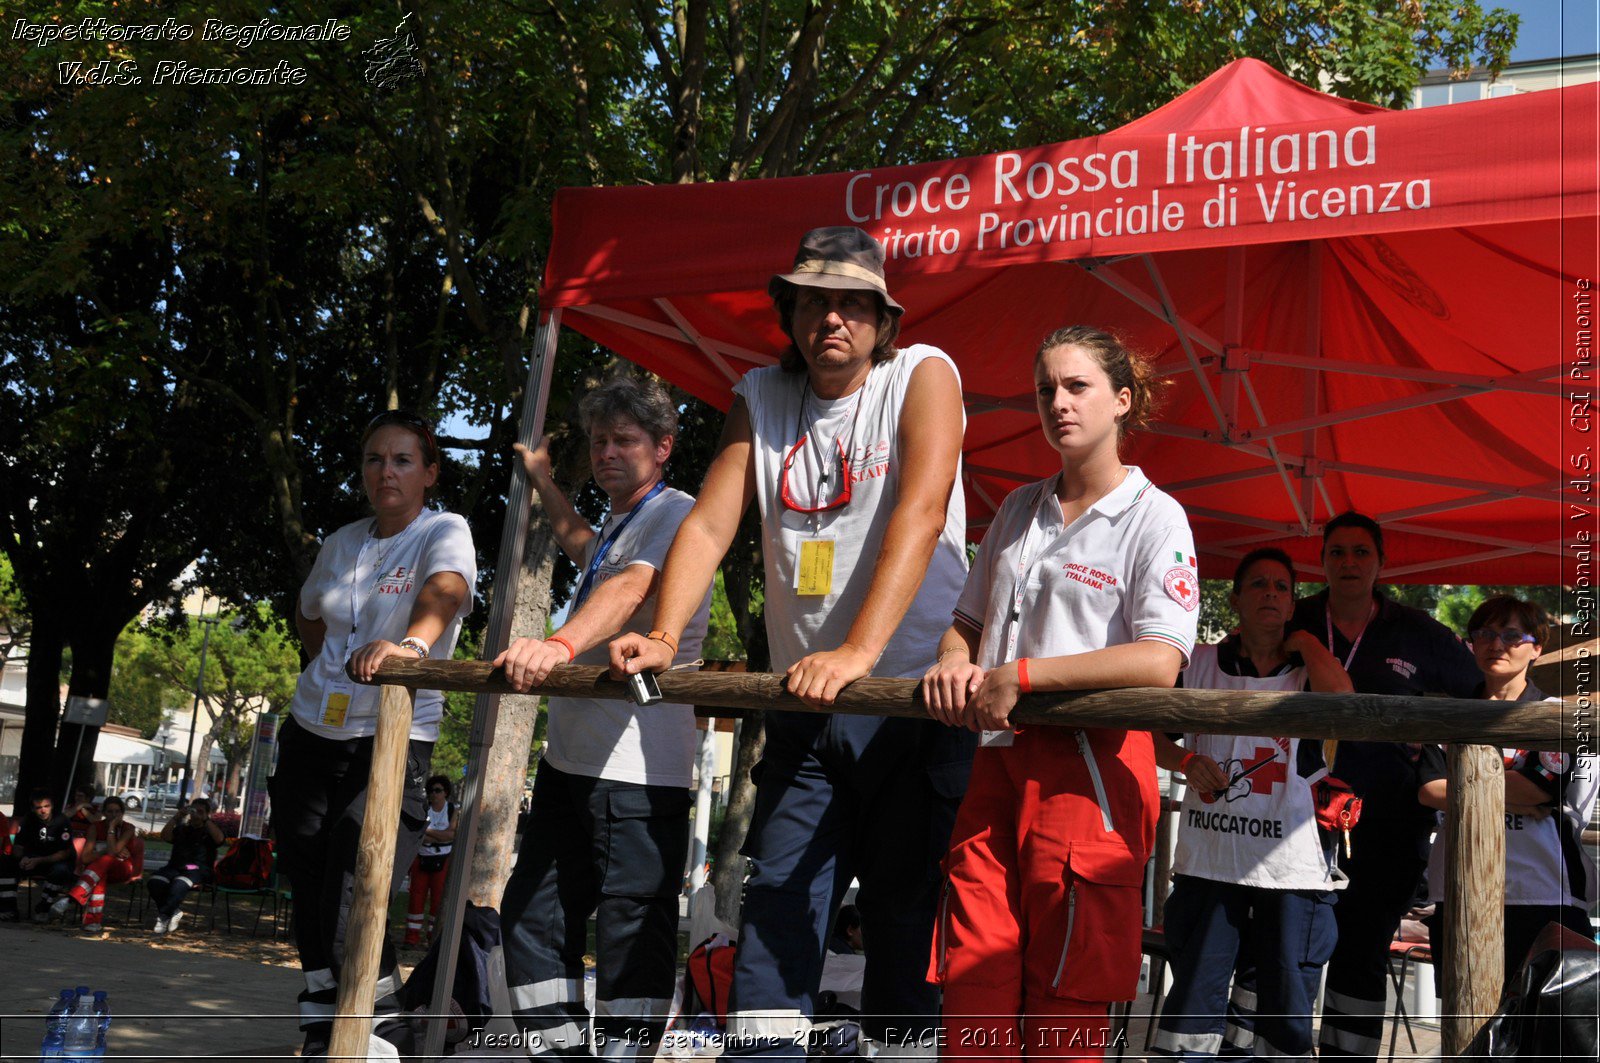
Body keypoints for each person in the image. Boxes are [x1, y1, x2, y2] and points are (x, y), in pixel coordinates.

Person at [611, 226, 973, 1061]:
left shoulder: (925, 375)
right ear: (791, 312)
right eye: (815, 301)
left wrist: (858, 653)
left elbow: (921, 514)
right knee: (776, 905)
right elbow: (708, 519)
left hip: (910, 702)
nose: (833, 318)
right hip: (807, 707)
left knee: (902, 921)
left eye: (853, 303)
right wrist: (666, 632)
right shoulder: (760, 394)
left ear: (884, 320)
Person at [921, 325, 1198, 1060]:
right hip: (997, 760)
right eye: (1046, 388)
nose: (1058, 402)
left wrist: (1027, 675)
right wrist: (955, 659)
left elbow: (1162, 659)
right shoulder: (1016, 509)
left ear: (1122, 400)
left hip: (1095, 771)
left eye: (1077, 386)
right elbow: (965, 623)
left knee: (1067, 991)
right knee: (973, 967)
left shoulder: (1156, 516)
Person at [496, 374, 712, 1058]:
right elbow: (583, 544)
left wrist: (557, 644)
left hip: (637, 771)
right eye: (598, 441)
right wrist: (540, 478)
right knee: (528, 916)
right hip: (569, 764)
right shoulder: (624, 521)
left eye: (624, 440)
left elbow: (630, 586)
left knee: (632, 938)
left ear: (664, 447)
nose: (607, 452)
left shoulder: (677, 511)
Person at [269, 409, 475, 1061]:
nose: (386, 471)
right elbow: (310, 614)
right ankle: (323, 1017)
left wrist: (409, 645)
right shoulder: (341, 541)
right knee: (306, 878)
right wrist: (326, 671)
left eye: (403, 459)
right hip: (310, 731)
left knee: (356, 876)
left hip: (389, 736)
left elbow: (447, 589)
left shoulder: (445, 530)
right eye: (374, 459)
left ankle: (380, 1022)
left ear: (430, 471)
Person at [1289, 512, 1479, 1061]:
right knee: (1288, 943)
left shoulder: (1418, 633)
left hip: (1390, 823)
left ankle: (1349, 1056)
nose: (1348, 563)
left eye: (1360, 552)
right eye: (1337, 553)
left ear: (1381, 562)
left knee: (1362, 951)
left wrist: (1438, 765)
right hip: (1296, 818)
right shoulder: (1294, 619)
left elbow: (1481, 696)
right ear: (1321, 561)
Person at [1149, 548, 1352, 1059]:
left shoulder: (1310, 670)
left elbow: (1349, 708)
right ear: (1235, 599)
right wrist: (1184, 762)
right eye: (1258, 585)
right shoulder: (1196, 664)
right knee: (1194, 1006)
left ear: (1293, 603)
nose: (1270, 593)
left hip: (1291, 874)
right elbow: (1144, 735)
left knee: (1280, 1017)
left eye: (1282, 588)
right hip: (1210, 868)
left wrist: (1305, 639)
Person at [1418, 596, 1598, 991]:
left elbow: (1537, 788)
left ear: (1537, 647)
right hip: (1460, 890)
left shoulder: (1557, 717)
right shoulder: (1447, 715)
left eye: (1512, 635)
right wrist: (1519, 794)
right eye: (1484, 634)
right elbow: (1429, 790)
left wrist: (1524, 793)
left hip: (1545, 893)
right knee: (1465, 1028)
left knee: (1544, 1037)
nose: (1496, 645)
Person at [54, 794, 138, 933]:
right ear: (104, 813)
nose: (114, 815)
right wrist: (107, 849)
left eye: (117, 811)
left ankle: (71, 899)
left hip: (122, 868)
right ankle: (92, 923)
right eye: (110, 811)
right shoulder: (95, 827)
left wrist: (111, 829)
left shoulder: (128, 828)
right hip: (99, 870)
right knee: (101, 873)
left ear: (122, 813)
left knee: (106, 861)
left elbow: (111, 854)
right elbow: (86, 858)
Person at [147, 797, 224, 934]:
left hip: (197, 869)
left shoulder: (209, 831)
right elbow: (165, 836)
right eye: (194, 810)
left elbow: (219, 839)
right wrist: (177, 817)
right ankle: (174, 911)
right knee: (155, 881)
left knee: (179, 883)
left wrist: (205, 819)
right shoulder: (182, 829)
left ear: (207, 814)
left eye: (201, 811)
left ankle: (163, 916)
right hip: (175, 867)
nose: (196, 814)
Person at [0, 788, 75, 921]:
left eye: (46, 806)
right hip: (31, 860)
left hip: (55, 862)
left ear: (52, 806)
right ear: (33, 808)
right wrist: (21, 857)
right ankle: (9, 909)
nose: (43, 811)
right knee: (5, 864)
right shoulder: (27, 820)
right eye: (38, 807)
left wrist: (38, 860)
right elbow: (18, 846)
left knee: (60, 870)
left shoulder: (62, 821)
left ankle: (43, 908)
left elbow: (64, 853)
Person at [404, 774, 457, 946]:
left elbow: (451, 835)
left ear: (445, 792)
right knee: (416, 898)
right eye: (430, 790)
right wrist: (438, 835)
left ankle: (432, 938)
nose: (434, 794)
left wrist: (428, 831)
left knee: (438, 900)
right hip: (421, 859)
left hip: (442, 860)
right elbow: (418, 834)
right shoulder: (423, 808)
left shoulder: (451, 810)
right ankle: (411, 938)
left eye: (438, 790)